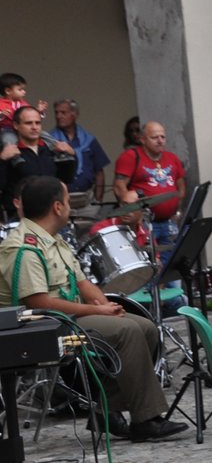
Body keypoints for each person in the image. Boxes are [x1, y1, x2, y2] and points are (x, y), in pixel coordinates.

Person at [0, 176, 186, 441]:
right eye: (66, 200)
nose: (69, 206)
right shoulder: (24, 247)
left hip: (65, 319)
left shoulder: (54, 240)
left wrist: (105, 304)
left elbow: (83, 283)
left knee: (145, 327)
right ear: (57, 207)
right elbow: (38, 303)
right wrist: (98, 312)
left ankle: (106, 411)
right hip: (39, 328)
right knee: (126, 332)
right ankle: (146, 420)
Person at [112, 121, 186, 264]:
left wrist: (177, 212)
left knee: (172, 268)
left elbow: (181, 187)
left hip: (169, 222)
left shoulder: (172, 158)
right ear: (142, 139)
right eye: (154, 137)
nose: (160, 141)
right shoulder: (130, 156)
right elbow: (119, 186)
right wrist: (133, 214)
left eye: (163, 137)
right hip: (145, 223)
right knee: (149, 265)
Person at [3, 106, 76, 217]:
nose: (34, 127)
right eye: (28, 123)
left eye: (38, 123)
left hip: (52, 214)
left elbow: (67, 179)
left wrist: (72, 155)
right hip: (20, 217)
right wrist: (2, 159)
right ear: (16, 125)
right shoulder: (8, 151)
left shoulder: (51, 149)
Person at [49, 99, 111, 204]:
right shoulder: (50, 141)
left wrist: (98, 200)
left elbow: (99, 172)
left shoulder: (89, 140)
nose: (59, 116)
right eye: (56, 113)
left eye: (63, 113)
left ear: (75, 114)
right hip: (61, 199)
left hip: (87, 199)